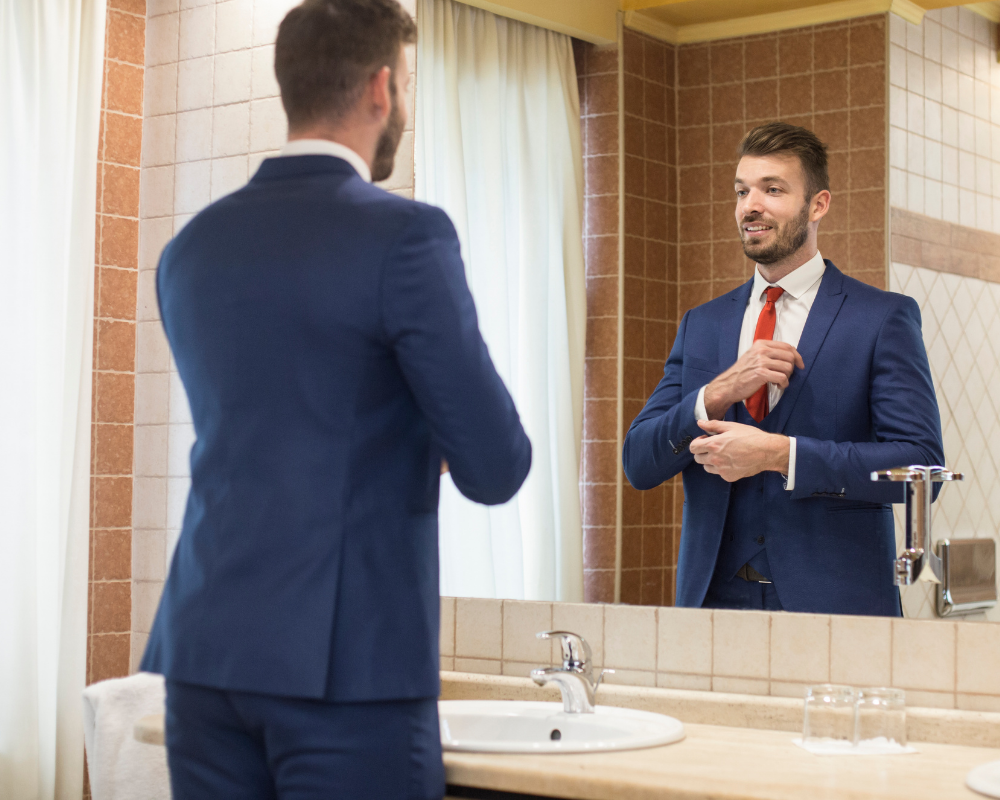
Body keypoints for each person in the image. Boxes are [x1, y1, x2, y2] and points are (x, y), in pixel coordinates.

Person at [140, 1, 532, 797]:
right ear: (383, 89)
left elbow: (283, 409)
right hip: (347, 664)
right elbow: (496, 466)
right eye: (410, 87)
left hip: (204, 652)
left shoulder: (190, 249)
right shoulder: (405, 237)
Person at [622, 122, 943, 616]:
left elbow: (924, 470)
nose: (751, 205)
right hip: (713, 606)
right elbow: (639, 463)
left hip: (838, 607)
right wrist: (717, 390)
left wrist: (783, 455)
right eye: (742, 190)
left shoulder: (881, 318)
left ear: (818, 205)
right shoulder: (702, 325)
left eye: (773, 189)